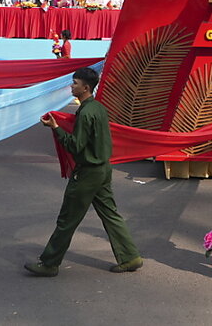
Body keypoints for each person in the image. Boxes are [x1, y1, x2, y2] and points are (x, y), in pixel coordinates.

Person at [27, 67, 142, 276]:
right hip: (103, 169)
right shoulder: (98, 108)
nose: (72, 86)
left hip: (88, 172)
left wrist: (56, 127)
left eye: (75, 83)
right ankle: (130, 257)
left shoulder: (87, 112)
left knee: (67, 218)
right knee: (110, 214)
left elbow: (75, 145)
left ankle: (50, 263)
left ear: (85, 87)